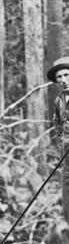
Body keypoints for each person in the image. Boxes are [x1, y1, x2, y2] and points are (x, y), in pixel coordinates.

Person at [47, 56, 69, 224]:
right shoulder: (58, 101)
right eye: (59, 77)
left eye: (66, 75)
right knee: (67, 203)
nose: (63, 80)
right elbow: (57, 125)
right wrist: (62, 142)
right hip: (66, 159)